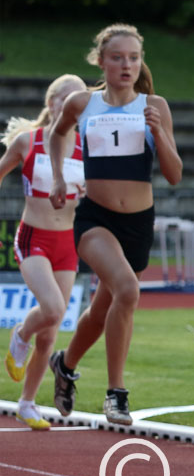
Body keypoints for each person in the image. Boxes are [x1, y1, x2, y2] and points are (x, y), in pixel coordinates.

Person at [47, 24, 183, 425]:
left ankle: (65, 365)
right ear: (101, 61)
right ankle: (116, 394)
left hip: (139, 222)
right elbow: (57, 136)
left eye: (134, 58)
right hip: (95, 219)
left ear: (141, 62)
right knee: (127, 289)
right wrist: (59, 177)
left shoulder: (154, 105)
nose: (127, 65)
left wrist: (160, 135)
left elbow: (174, 174)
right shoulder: (81, 103)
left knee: (101, 307)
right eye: (118, 57)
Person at [0, 75, 88, 429]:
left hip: (67, 243)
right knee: (52, 309)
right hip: (33, 237)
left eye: (76, 100)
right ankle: (20, 335)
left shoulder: (86, 147)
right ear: (50, 103)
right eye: (63, 99)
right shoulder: (28, 141)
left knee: (50, 332)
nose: (68, 105)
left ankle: (27, 402)